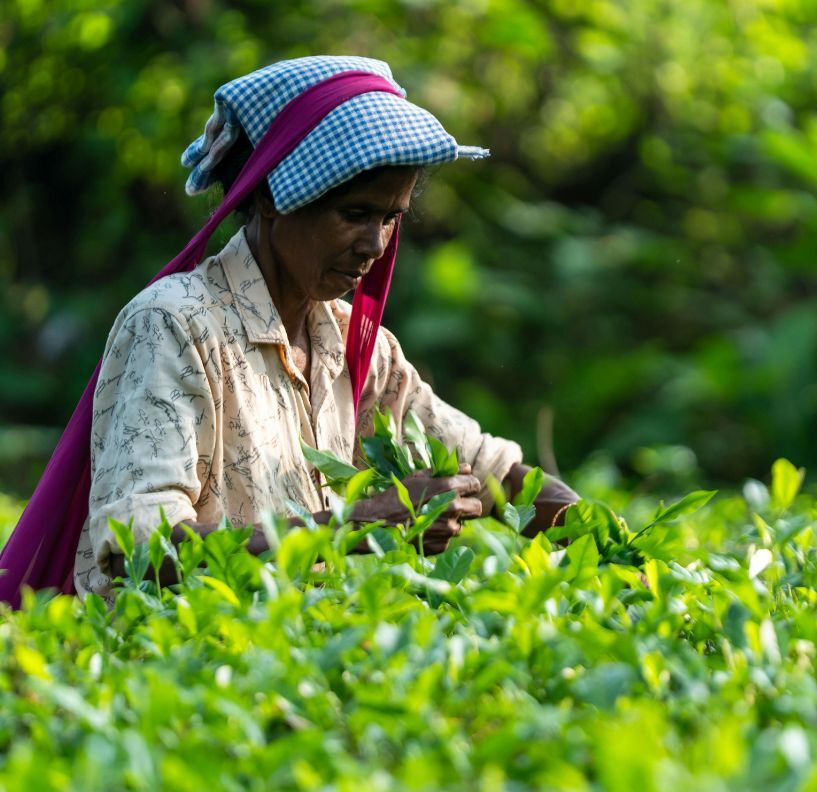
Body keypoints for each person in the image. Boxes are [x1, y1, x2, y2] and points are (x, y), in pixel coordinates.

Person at [72, 56, 578, 602]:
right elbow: (137, 553)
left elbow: (493, 472)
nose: (375, 245)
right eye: (354, 214)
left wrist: (612, 543)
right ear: (271, 197)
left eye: (390, 218)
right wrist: (356, 524)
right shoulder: (175, 325)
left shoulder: (353, 344)